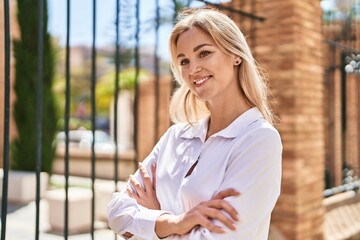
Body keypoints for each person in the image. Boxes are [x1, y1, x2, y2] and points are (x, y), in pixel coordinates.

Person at [108, 7, 282, 240]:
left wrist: (151, 219)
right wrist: (174, 222)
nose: (193, 69)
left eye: (204, 53)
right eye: (184, 61)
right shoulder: (175, 136)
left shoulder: (259, 140)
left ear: (236, 55)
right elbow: (117, 212)